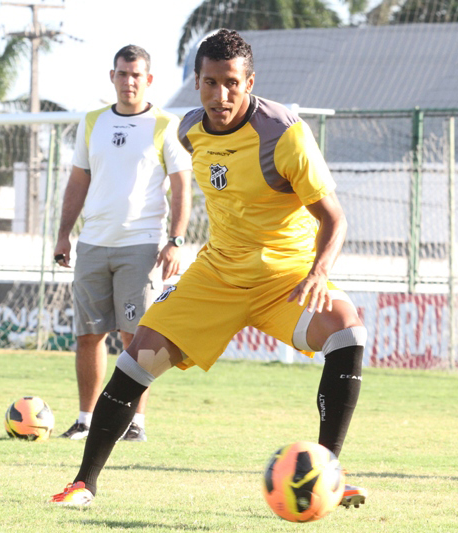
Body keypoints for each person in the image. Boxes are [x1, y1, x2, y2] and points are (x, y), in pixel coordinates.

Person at [51, 29, 367, 509]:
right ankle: (83, 484)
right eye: (210, 83)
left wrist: (319, 272)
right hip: (216, 275)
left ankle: (328, 472)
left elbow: (334, 219)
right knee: (137, 358)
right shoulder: (188, 131)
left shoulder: (285, 133)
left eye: (232, 84)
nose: (221, 96)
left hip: (285, 278)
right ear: (196, 82)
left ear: (249, 81)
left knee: (348, 333)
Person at [53, 44, 192, 443]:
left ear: (148, 80)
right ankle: (85, 419)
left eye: (136, 75)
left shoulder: (167, 123)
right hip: (93, 244)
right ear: (111, 77)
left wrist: (176, 240)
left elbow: (183, 187)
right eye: (122, 74)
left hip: (142, 246)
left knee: (137, 337)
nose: (129, 81)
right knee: (88, 336)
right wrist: (64, 233)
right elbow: (78, 181)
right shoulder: (92, 122)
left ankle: (135, 423)